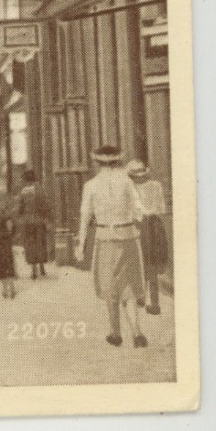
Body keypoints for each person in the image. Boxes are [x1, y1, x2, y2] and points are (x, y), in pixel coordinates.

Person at [75, 145, 148, 348]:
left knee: (110, 286)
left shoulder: (91, 185)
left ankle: (115, 332)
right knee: (130, 285)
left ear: (97, 162)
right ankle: (137, 333)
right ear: (118, 161)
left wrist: (81, 244)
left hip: (104, 237)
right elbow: (139, 211)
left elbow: (84, 216)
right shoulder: (127, 182)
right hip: (128, 237)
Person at [129, 160, 169, 316]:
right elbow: (162, 209)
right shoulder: (156, 185)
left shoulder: (131, 189)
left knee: (140, 261)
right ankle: (155, 303)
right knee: (152, 262)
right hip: (155, 225)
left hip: (139, 225)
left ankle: (140, 297)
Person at [15, 169, 52, 279]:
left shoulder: (24, 191)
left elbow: (20, 208)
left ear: (26, 180)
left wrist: (20, 215)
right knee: (40, 242)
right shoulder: (40, 189)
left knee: (30, 244)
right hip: (39, 220)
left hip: (27, 221)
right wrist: (47, 218)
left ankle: (33, 270)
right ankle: (42, 268)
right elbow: (45, 205)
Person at [0, 202, 19, 300]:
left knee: (2, 269)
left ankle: (6, 289)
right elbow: (13, 230)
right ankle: (11, 288)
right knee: (9, 268)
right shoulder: (9, 220)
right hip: (6, 247)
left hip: (0, 248)